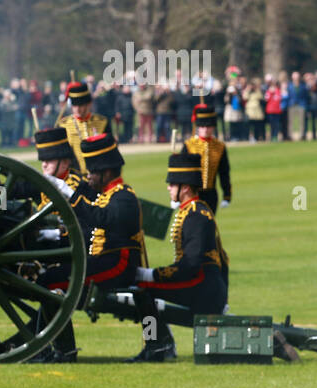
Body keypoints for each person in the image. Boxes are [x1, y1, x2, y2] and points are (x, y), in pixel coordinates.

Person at [35, 134, 148, 361]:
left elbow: (100, 217)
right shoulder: (107, 194)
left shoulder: (124, 196)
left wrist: (69, 192)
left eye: (92, 172)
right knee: (51, 280)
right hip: (106, 262)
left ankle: (64, 350)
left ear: (106, 173)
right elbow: (91, 198)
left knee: (50, 282)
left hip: (118, 263)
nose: (88, 175)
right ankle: (49, 345)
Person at [128, 152, 230, 362]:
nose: (168, 188)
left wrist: (152, 275)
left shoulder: (195, 216)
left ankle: (156, 346)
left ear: (184, 188)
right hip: (203, 285)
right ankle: (162, 343)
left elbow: (190, 264)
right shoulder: (191, 211)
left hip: (203, 288)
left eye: (172, 184)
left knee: (143, 291)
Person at [184, 104, 232, 214]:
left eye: (208, 126)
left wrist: (227, 195)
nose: (205, 129)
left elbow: (224, 173)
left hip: (211, 194)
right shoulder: (189, 145)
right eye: (202, 126)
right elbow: (183, 172)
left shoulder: (219, 147)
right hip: (192, 194)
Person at [55, 82, 108, 172]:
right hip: (75, 176)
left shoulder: (102, 122)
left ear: (89, 104)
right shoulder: (63, 125)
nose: (77, 109)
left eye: (80, 105)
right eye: (74, 105)